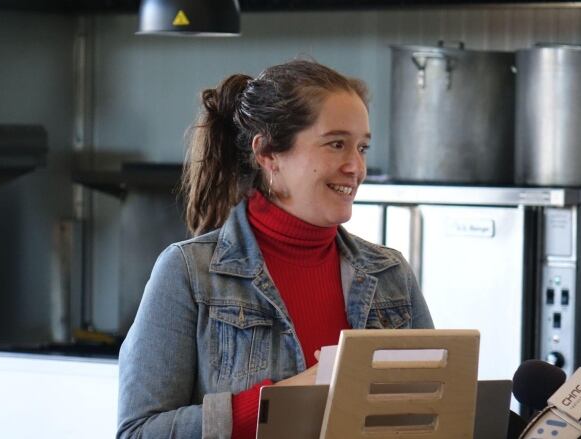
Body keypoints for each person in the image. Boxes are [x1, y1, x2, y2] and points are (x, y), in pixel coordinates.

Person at [117, 59, 433, 439]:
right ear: (268, 154)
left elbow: (431, 416)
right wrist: (277, 402)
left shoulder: (391, 274)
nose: (356, 167)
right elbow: (138, 432)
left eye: (362, 148)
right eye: (336, 144)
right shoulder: (187, 272)